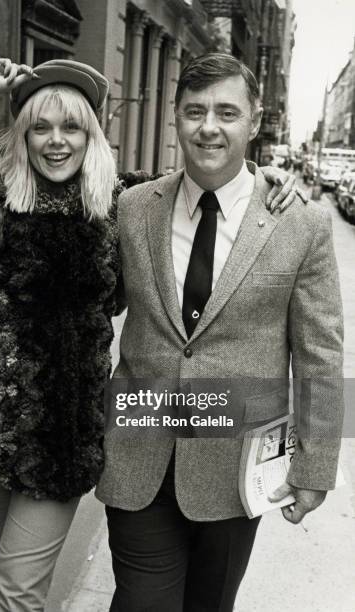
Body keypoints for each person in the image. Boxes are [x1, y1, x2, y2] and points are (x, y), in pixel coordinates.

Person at [0, 56, 296, 611]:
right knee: (5, 580)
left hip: (59, 445)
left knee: (16, 596)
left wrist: (262, 179)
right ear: (21, 134)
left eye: (72, 126)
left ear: (94, 133)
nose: (56, 141)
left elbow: (207, 185)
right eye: (41, 126)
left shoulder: (123, 205)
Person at [95, 53, 344, 612]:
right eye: (195, 111)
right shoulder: (134, 208)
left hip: (237, 468)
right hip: (139, 451)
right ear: (176, 119)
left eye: (227, 113)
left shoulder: (299, 223)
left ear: (253, 122)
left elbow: (319, 355)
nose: (209, 126)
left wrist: (315, 467)